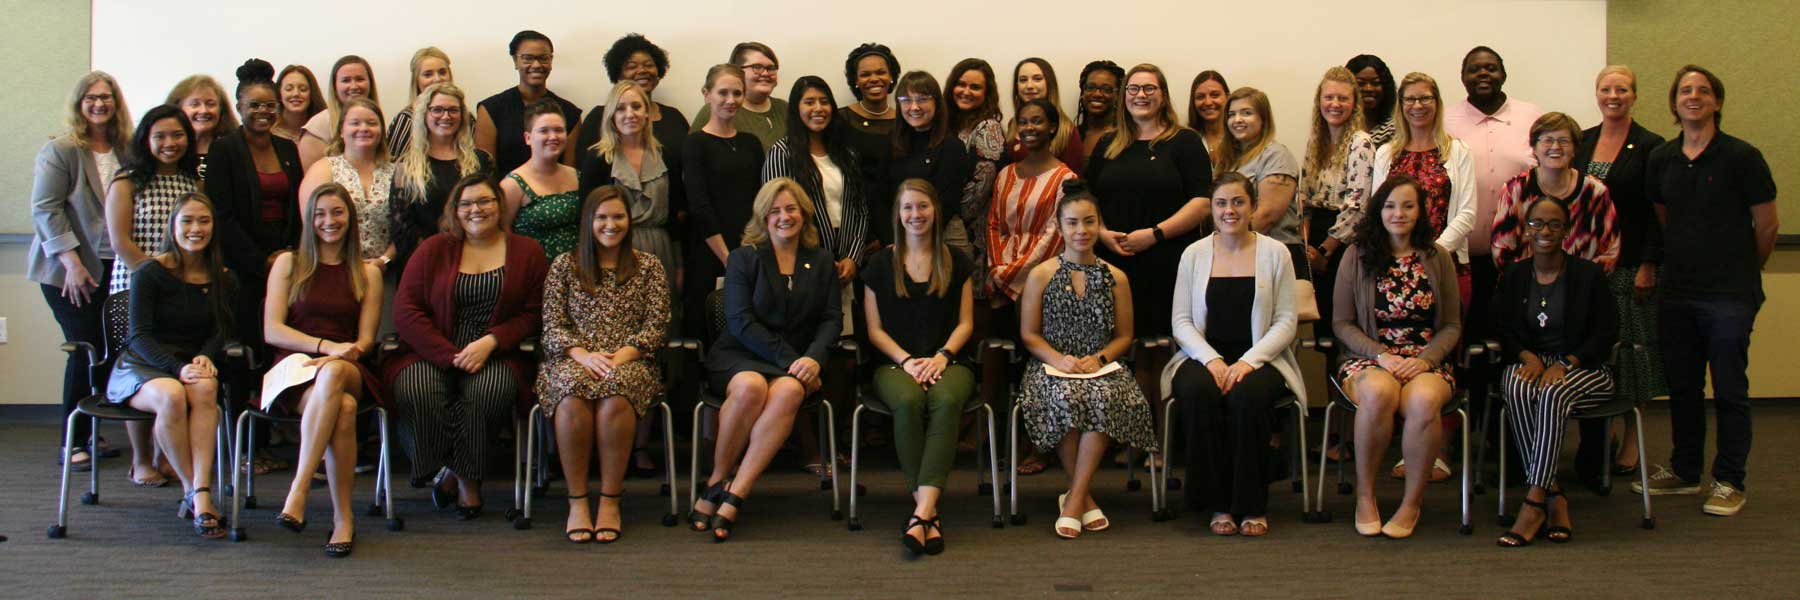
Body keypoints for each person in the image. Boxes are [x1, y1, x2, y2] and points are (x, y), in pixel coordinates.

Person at [1633, 65, 1778, 517]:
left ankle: (1730, 480)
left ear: (1716, 101)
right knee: (1684, 387)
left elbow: (1767, 223)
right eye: (1684, 91)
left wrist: (1743, 272)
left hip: (1729, 295)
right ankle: (1686, 470)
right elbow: (1661, 216)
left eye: (1703, 90)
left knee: (1730, 390)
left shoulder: (1742, 157)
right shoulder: (1661, 157)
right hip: (1677, 290)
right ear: (1674, 103)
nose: (1693, 96)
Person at [385, 175, 548, 519]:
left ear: (500, 206)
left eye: (486, 201)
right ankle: (457, 474)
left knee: (488, 392)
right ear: (454, 211)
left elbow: (534, 313)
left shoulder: (527, 251)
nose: (477, 209)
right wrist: (448, 355)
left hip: (496, 351)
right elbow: (406, 310)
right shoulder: (433, 248)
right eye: (467, 203)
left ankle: (464, 481)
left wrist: (491, 342)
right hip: (432, 349)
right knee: (417, 390)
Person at [692, 178, 841, 542]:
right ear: (763, 217)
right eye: (774, 211)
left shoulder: (821, 261)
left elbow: (831, 319)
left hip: (794, 362)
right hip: (741, 354)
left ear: (804, 214)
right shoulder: (744, 258)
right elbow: (740, 322)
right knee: (749, 387)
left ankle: (735, 492)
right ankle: (717, 477)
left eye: (791, 209)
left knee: (790, 391)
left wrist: (814, 360)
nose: (784, 217)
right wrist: (795, 361)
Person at [1165, 172, 1306, 537]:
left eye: (1238, 202)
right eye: (1221, 203)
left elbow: (1286, 321)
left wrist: (1247, 362)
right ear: (1211, 209)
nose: (1230, 210)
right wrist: (1211, 360)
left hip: (1262, 358)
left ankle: (1251, 504)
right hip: (1200, 357)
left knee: (1248, 395)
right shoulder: (1193, 254)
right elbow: (1181, 321)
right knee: (1199, 392)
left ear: (1253, 206)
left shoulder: (1276, 254)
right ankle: (1217, 502)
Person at [1014, 182, 1155, 539]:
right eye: (1073, 223)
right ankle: (1084, 498)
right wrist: (1058, 359)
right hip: (1050, 365)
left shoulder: (1116, 277)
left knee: (1103, 397)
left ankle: (1074, 499)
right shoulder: (1042, 274)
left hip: (1101, 366)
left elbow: (1125, 335)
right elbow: (1029, 334)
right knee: (1065, 396)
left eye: (1089, 222)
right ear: (1060, 228)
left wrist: (1101, 357)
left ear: (1099, 225)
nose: (1081, 231)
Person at [537, 186, 670, 544]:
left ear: (630, 221)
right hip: (574, 358)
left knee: (616, 393)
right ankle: (578, 500)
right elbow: (552, 327)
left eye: (618, 217)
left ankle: (610, 499)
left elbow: (656, 326)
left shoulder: (650, 267)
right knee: (571, 395)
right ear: (588, 222)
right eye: (602, 217)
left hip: (630, 358)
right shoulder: (565, 265)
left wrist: (623, 355)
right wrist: (582, 354)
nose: (610, 225)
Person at [1333, 175, 1463, 539]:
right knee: (1378, 394)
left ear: (1421, 212)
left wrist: (1425, 360)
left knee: (1423, 401)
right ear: (1379, 211)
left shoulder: (1438, 258)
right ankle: (1366, 495)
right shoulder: (1356, 256)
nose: (1399, 213)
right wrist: (1381, 356)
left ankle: (1411, 503)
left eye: (1408, 205)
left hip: (1426, 359)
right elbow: (1342, 324)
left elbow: (1451, 325)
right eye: (1390, 206)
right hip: (1370, 357)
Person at [262, 183, 384, 557]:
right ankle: (343, 518)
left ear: (351, 218)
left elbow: (364, 341)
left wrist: (337, 355)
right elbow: (271, 330)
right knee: (343, 411)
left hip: (347, 367)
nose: (329, 221)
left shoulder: (367, 271)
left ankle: (299, 488)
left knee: (332, 376)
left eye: (337, 212)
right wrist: (323, 347)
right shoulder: (289, 263)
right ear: (308, 220)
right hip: (294, 367)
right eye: (320, 214)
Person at [106, 192, 237, 539]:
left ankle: (202, 488)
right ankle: (193, 493)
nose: (196, 228)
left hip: (188, 364)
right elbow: (138, 337)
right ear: (173, 227)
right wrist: (176, 368)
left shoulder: (224, 278)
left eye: (204, 221)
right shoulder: (150, 272)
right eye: (188, 221)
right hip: (143, 365)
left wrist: (208, 355)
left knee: (207, 386)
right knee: (172, 396)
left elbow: (222, 330)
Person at [1491, 196, 1618, 547]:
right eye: (1536, 224)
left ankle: (1533, 501)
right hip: (1533, 361)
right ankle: (1555, 495)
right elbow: (1502, 327)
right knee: (1515, 385)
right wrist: (1527, 357)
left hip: (1585, 367)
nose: (1544, 231)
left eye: (1553, 224)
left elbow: (1607, 332)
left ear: (1566, 230)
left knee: (1551, 391)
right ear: (1525, 230)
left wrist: (1566, 364)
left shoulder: (1588, 275)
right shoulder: (1515, 274)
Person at [1085, 63, 1213, 409]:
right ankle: (1120, 432)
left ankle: (1159, 437)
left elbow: (1202, 203)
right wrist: (1100, 233)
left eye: (1149, 89)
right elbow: (1084, 199)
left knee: (1157, 352)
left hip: (1166, 262)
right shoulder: (1108, 143)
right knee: (1118, 349)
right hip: (1113, 263)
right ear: (1123, 96)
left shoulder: (1184, 142)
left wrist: (1154, 235)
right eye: (1133, 89)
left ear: (1163, 95)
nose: (1140, 96)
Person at [860, 179, 976, 555]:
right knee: (908, 402)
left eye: (922, 206)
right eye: (908, 207)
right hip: (895, 366)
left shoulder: (956, 260)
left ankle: (921, 512)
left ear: (935, 211)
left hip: (950, 361)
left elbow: (966, 324)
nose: (915, 215)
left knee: (944, 400)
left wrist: (941, 356)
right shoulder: (879, 265)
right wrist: (908, 362)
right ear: (897, 214)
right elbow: (874, 331)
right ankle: (928, 513)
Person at [1371, 72, 1475, 482]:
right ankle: (1403, 445)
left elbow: (1466, 213)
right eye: (1410, 99)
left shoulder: (1457, 151)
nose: (1418, 105)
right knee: (1396, 353)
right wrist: (1400, 260)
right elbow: (1378, 211)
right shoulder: (1387, 153)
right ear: (1401, 104)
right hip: (1390, 269)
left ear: (1437, 102)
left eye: (1426, 98)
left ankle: (1439, 449)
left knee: (1438, 355)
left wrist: (1431, 258)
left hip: (1446, 267)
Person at [30, 71, 132, 475]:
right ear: (79, 103)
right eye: (90, 98)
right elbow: (46, 209)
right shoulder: (62, 150)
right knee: (85, 344)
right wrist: (71, 262)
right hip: (67, 268)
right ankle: (71, 439)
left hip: (115, 264)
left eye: (106, 97)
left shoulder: (127, 149)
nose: (99, 104)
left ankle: (90, 431)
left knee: (109, 347)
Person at [1570, 65, 1667, 486]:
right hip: (1588, 266)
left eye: (1622, 89)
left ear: (1634, 95)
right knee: (1599, 347)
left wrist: (1649, 263)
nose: (1614, 95)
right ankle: (1604, 425)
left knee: (1632, 348)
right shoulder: (1583, 141)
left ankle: (1631, 434)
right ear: (1596, 94)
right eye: (1606, 88)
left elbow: (1656, 213)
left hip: (1629, 264)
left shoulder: (1650, 146)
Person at [103, 104, 202, 484]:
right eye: (160, 136)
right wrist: (155, 276)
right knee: (143, 366)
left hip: (181, 289)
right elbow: (120, 240)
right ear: (146, 139)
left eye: (177, 135)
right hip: (135, 284)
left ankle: (166, 455)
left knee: (171, 364)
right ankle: (141, 458)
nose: (170, 143)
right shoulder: (127, 180)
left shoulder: (191, 181)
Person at [986, 98, 1077, 476]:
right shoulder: (1006, 174)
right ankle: (998, 444)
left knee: (1035, 366)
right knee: (997, 367)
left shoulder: (1066, 179)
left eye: (1038, 121)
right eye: (1023, 121)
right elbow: (993, 224)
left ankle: (1040, 443)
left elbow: (1055, 235)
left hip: (1043, 285)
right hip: (1001, 280)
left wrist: (1017, 277)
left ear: (1053, 128)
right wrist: (998, 269)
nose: (1029, 127)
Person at [208, 59, 305, 365]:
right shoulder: (223, 149)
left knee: (286, 340)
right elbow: (221, 214)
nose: (263, 111)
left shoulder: (288, 149)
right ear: (238, 106)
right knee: (248, 342)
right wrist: (262, 261)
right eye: (254, 105)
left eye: (270, 105)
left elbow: (297, 207)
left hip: (286, 260)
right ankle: (246, 408)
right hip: (243, 265)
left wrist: (287, 254)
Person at [682, 64, 765, 337]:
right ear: (707, 94)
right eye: (723, 92)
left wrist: (748, 252)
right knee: (708, 329)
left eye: (737, 93)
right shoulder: (695, 144)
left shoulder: (751, 143)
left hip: (749, 248)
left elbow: (760, 199)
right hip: (710, 251)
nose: (731, 100)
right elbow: (699, 204)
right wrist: (728, 259)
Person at [1490, 112, 1620, 272]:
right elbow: (1501, 249)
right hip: (1525, 288)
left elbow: (1610, 250)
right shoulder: (1515, 189)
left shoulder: (1595, 192)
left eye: (1564, 141)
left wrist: (1582, 283)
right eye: (1547, 140)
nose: (1555, 147)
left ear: (1574, 149)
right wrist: (1533, 284)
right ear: (1534, 148)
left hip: (1581, 289)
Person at [1298, 66, 1377, 328]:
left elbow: (1358, 205)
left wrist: (1325, 250)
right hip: (1315, 237)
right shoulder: (1316, 141)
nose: (1335, 104)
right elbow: (1305, 198)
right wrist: (1308, 245)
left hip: (1344, 243)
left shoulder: (1360, 142)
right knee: (1321, 326)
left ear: (1354, 104)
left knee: (1343, 323)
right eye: (1329, 97)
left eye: (1343, 98)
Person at [391, 83, 494, 282]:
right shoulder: (407, 166)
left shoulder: (481, 161)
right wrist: (433, 260)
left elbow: (492, 214)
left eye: (453, 110)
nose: (446, 116)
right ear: (425, 114)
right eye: (437, 110)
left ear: (462, 115)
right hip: (424, 268)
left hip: (476, 266)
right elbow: (401, 227)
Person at [881, 71, 975, 250]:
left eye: (922, 99)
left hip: (943, 236)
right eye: (906, 100)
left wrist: (912, 242)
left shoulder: (952, 146)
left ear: (937, 103)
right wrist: (891, 238)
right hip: (896, 235)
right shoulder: (891, 141)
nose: (914, 107)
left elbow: (945, 204)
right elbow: (880, 194)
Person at [297, 98, 396, 268]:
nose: (363, 128)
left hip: (386, 270)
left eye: (371, 123)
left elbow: (406, 227)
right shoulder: (322, 170)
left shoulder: (397, 172)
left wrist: (384, 260)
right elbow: (312, 226)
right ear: (341, 130)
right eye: (355, 123)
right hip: (335, 269)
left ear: (381, 130)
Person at [1218, 87, 1305, 276]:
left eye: (1246, 113)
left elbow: (1267, 215)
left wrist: (1225, 244)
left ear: (1263, 118)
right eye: (1232, 114)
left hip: (1275, 254)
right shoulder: (1231, 160)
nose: (1237, 120)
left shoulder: (1276, 155)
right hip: (1241, 251)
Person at [477, 30, 582, 174]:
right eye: (528, 58)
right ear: (515, 61)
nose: (537, 65)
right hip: (504, 193)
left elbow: (570, 171)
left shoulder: (569, 113)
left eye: (544, 58)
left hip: (556, 194)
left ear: (551, 62)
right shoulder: (491, 110)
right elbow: (486, 171)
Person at [576, 34, 690, 162]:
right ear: (618, 76)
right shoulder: (598, 118)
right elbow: (582, 166)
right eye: (631, 66)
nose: (642, 70)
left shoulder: (674, 117)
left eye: (648, 65)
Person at [946, 58, 1003, 300]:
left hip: (970, 230)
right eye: (961, 84)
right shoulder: (948, 125)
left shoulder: (988, 128)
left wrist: (953, 218)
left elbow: (982, 185)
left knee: (969, 298)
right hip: (946, 227)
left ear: (987, 93)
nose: (966, 92)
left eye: (975, 87)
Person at [500, 100, 581, 259]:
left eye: (559, 130)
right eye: (544, 131)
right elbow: (502, 236)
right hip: (535, 272)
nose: (553, 137)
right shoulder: (512, 185)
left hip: (577, 273)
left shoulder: (578, 176)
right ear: (528, 138)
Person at [691, 42, 787, 150]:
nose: (765, 73)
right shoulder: (716, 110)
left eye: (771, 68)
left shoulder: (785, 108)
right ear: (737, 71)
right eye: (757, 67)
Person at [299, 55, 379, 170]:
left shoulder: (376, 120)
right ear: (335, 86)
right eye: (346, 80)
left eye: (360, 79)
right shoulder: (318, 126)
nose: (354, 86)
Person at [1006, 58, 1086, 170]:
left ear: (1049, 83)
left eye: (1037, 79)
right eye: (1023, 80)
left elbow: (1074, 180)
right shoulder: (1013, 124)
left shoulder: (1066, 130)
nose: (1029, 85)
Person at [166, 75, 238, 181]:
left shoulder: (234, 148)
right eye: (195, 104)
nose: (204, 110)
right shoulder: (168, 148)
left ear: (221, 109)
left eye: (211, 104)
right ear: (178, 108)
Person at [388, 47, 454, 160]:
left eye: (442, 72)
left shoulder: (465, 117)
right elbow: (393, 168)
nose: (437, 79)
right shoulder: (406, 120)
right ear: (416, 81)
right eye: (428, 74)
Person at [840, 43, 901, 136]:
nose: (874, 79)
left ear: (891, 76)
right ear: (856, 81)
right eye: (865, 74)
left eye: (881, 72)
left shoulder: (903, 122)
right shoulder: (841, 118)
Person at [1075, 61, 1124, 159]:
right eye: (1091, 87)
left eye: (1106, 89)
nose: (1097, 94)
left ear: (1118, 95)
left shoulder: (1125, 137)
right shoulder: (1072, 136)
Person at [1346, 55, 1397, 147]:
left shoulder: (1396, 130)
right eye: (1360, 83)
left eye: (1376, 83)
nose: (1368, 89)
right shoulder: (1339, 128)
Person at [1184, 70, 1229, 166]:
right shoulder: (1185, 141)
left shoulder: (1240, 138)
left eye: (1215, 95)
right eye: (1200, 97)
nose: (1208, 102)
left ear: (1228, 97)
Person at [274, 65, 325, 142]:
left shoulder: (324, 129)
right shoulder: (269, 133)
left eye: (303, 89)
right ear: (279, 94)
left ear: (312, 94)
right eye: (289, 89)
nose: (296, 94)